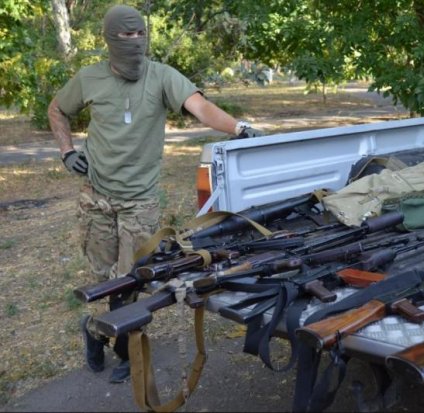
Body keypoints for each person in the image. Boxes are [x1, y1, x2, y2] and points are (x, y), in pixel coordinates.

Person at [47, 4, 263, 384]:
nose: (134, 41)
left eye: (139, 34)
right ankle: (95, 330)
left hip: (140, 200)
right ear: (109, 38)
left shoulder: (162, 76)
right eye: (125, 35)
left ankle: (123, 348)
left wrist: (239, 128)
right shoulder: (89, 78)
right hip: (95, 196)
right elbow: (56, 109)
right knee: (102, 278)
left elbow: (201, 108)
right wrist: (67, 151)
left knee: (131, 280)